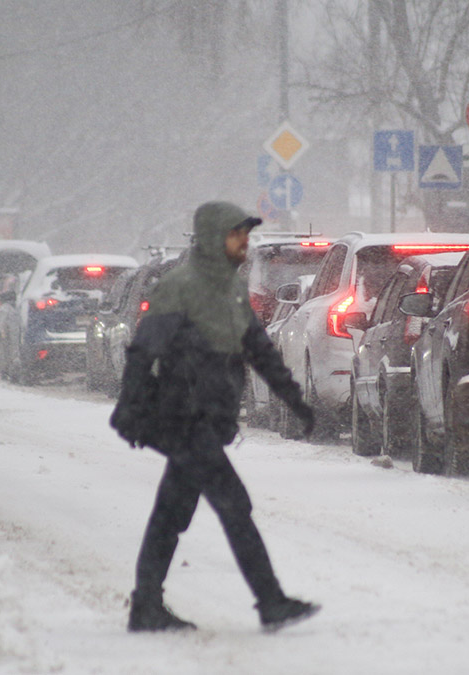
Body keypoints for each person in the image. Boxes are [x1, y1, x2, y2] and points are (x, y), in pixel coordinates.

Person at [110, 201, 320, 633]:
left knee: (171, 512)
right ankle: (270, 601)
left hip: (209, 419)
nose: (245, 242)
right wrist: (130, 407)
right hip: (184, 418)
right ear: (212, 238)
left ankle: (146, 605)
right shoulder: (179, 287)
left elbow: (259, 349)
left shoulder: (230, 287)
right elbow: (144, 350)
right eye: (236, 234)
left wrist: (293, 399)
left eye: (245, 234)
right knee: (234, 506)